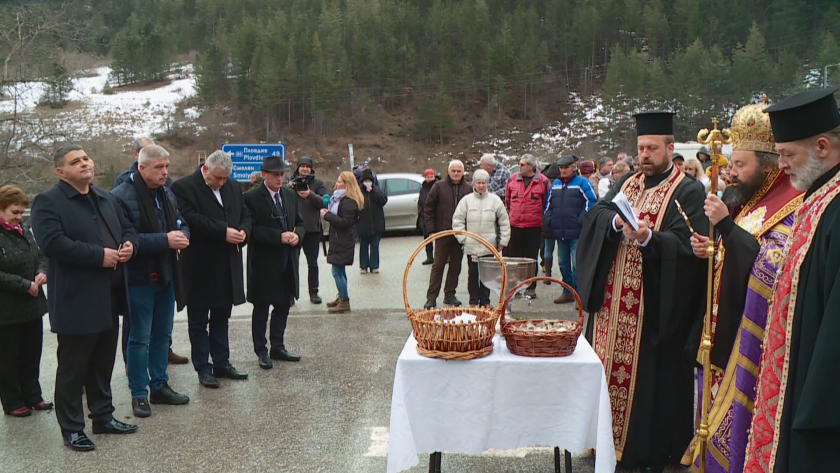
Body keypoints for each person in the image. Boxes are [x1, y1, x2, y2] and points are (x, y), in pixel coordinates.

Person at [576, 111, 708, 473]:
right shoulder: (629, 182)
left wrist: (650, 238)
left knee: (650, 386)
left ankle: (639, 451)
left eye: (652, 148)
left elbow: (690, 249)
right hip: (611, 311)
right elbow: (598, 213)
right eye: (640, 148)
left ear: (669, 148)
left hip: (651, 312)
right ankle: (603, 442)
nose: (644, 155)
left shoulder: (688, 190)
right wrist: (617, 222)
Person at [680, 102, 804, 473]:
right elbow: (738, 257)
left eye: (740, 165)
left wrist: (728, 230)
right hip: (722, 326)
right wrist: (713, 250)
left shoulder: (790, 204)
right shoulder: (752, 202)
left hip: (748, 341)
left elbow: (768, 266)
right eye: (730, 164)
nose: (730, 173)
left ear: (768, 168)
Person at [743, 87, 840, 473]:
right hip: (795, 376)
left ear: (821, 146)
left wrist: (816, 407)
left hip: (819, 398)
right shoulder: (818, 198)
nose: (780, 165)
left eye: (787, 154)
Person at [31, 145, 139, 451]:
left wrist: (129, 244)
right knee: (73, 368)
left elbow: (127, 227)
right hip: (77, 299)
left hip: (111, 295)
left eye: (86, 158)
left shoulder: (106, 197)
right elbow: (52, 243)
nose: (84, 163)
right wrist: (98, 256)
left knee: (103, 363)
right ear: (61, 172)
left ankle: (103, 416)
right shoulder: (48, 201)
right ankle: (72, 428)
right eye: (75, 161)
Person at [112, 144, 191, 418]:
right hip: (139, 277)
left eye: (167, 167)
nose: (165, 173)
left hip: (168, 273)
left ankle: (160, 385)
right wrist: (166, 240)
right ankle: (138, 393)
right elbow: (127, 238)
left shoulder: (167, 192)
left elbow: (180, 221)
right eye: (159, 167)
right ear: (141, 167)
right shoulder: (121, 196)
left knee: (162, 335)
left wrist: (182, 234)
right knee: (139, 337)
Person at [171, 150, 251, 389]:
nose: (221, 183)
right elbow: (190, 219)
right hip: (199, 265)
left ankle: (222, 363)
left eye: (225, 179)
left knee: (221, 318)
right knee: (198, 321)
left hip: (227, 264)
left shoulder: (233, 186)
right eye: (217, 178)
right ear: (205, 169)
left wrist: (244, 232)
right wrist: (223, 231)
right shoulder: (183, 187)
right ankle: (203, 368)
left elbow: (245, 213)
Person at [244, 155, 306, 368]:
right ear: (264, 175)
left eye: (282, 174)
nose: (280, 178)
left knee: (283, 306)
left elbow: (300, 222)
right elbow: (252, 231)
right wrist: (278, 237)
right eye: (275, 175)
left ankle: (277, 346)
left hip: (287, 261)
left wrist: (298, 236)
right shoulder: (251, 198)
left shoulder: (289, 195)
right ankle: (261, 351)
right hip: (264, 264)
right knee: (261, 309)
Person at [0, 185, 50, 418]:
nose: (19, 217)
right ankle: (12, 400)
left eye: (21, 212)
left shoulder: (24, 230)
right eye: (14, 212)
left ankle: (33, 395)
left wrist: (41, 272)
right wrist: (23, 284)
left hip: (32, 305)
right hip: (7, 309)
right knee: (9, 358)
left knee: (32, 353)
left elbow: (39, 255)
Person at [452, 169, 510, 307]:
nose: (481, 186)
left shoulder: (495, 200)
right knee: (473, 275)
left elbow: (504, 221)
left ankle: (485, 301)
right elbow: (457, 220)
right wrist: (463, 239)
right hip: (471, 246)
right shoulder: (466, 201)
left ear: (487, 184)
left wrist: (503, 241)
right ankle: (473, 301)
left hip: (489, 246)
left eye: (484, 183)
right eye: (479, 183)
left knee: (487, 276)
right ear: (474, 184)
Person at [544, 155, 598, 304]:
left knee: (577, 264)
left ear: (573, 167)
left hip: (577, 233)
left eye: (566, 167)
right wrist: (549, 219)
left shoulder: (583, 183)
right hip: (560, 232)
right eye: (561, 168)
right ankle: (567, 291)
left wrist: (580, 220)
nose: (563, 170)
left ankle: (579, 295)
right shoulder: (555, 184)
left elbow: (592, 202)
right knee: (563, 264)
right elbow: (548, 205)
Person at [423, 160, 472, 308]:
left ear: (463, 172)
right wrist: (431, 230)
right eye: (453, 171)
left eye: (459, 171)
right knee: (438, 266)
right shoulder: (438, 186)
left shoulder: (469, 188)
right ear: (449, 171)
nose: (456, 173)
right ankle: (431, 297)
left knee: (456, 265)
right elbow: (428, 208)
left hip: (460, 233)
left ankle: (450, 294)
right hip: (442, 232)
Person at [504, 154, 550, 298]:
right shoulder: (511, 180)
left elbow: (547, 203)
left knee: (531, 259)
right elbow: (507, 202)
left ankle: (531, 287)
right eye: (519, 164)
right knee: (515, 259)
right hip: (515, 225)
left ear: (531, 166)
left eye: (522, 164)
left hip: (534, 227)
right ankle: (516, 287)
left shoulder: (543, 182)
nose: (519, 166)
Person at [320, 171, 364, 314]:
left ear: (347, 184)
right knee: (340, 270)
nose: (336, 184)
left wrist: (328, 216)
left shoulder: (349, 202)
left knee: (336, 272)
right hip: (338, 239)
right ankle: (341, 296)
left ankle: (344, 301)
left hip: (343, 240)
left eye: (340, 182)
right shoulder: (339, 199)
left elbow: (345, 222)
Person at [289, 156, 328, 303]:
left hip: (312, 230)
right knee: (292, 263)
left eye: (307, 166)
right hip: (294, 230)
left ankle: (314, 292)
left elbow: (324, 202)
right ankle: (291, 294)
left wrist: (310, 194)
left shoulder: (317, 183)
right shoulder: (291, 183)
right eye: (302, 166)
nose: (305, 168)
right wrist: (290, 188)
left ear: (311, 169)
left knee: (312, 263)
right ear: (298, 168)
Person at [357, 168, 387, 274]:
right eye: (365, 181)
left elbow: (383, 200)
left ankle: (374, 266)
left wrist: (373, 192)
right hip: (362, 224)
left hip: (376, 223)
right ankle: (363, 266)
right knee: (363, 246)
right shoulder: (358, 192)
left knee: (375, 246)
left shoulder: (377, 190)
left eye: (369, 181)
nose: (367, 183)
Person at [418, 169, 438, 265]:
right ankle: (429, 256)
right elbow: (420, 202)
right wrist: (421, 212)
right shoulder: (423, 189)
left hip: (437, 216)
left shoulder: (438, 186)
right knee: (427, 237)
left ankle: (441, 256)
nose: (430, 179)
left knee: (439, 237)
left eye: (431, 176)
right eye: (428, 177)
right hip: (425, 216)